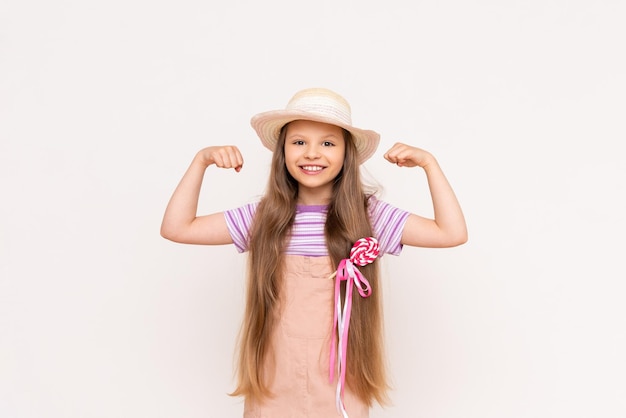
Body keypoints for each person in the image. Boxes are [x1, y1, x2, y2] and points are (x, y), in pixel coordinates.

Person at [160, 87, 467, 418]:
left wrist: (429, 165)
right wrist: (201, 161)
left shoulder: (367, 216)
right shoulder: (266, 217)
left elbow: (451, 233)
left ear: (346, 155)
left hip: (340, 385)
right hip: (273, 380)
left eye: (328, 143)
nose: (312, 153)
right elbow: (177, 227)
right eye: (299, 142)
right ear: (283, 152)